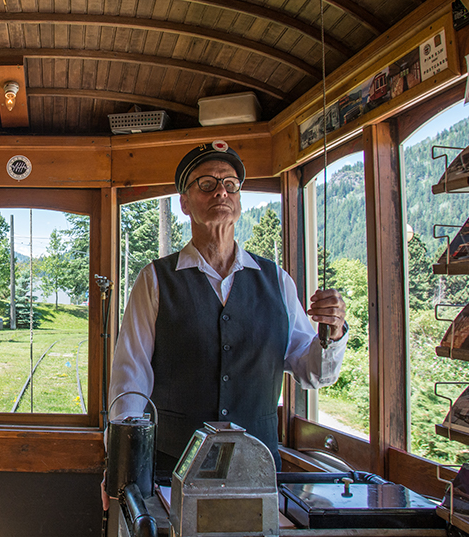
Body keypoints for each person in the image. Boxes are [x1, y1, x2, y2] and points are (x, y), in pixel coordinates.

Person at [107, 140, 348, 477]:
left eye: (230, 184)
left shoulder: (277, 280)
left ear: (238, 200)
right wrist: (122, 463)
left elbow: (314, 373)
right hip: (172, 467)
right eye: (207, 184)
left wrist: (332, 334)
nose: (221, 191)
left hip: (257, 469)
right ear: (185, 203)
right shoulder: (155, 280)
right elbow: (129, 380)